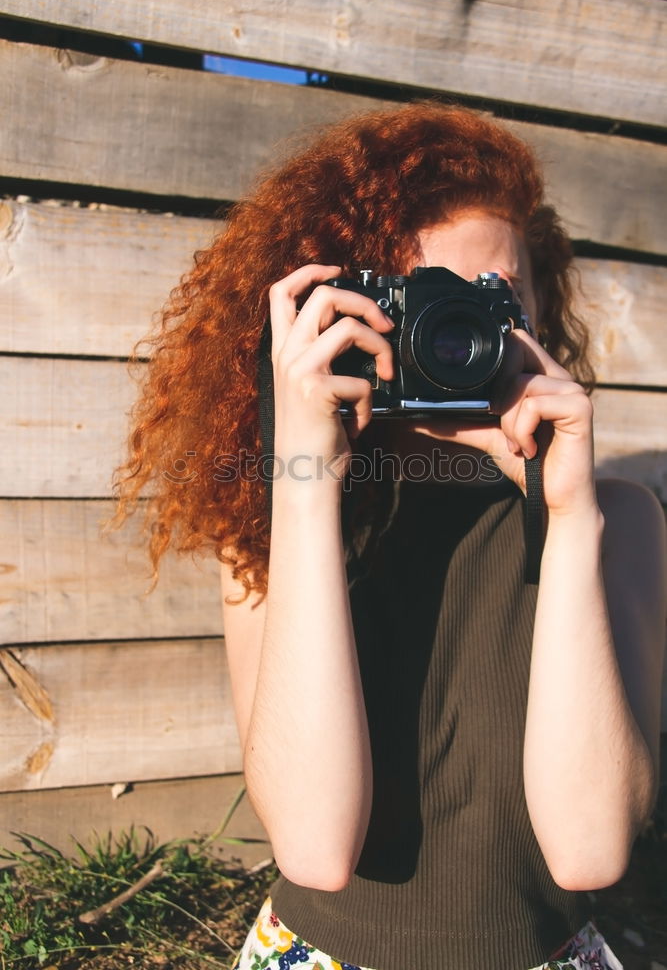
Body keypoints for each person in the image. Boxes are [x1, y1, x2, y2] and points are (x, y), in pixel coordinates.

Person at [112, 102, 666, 970]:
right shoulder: (267, 523)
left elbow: (588, 851)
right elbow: (316, 846)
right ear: (341, 312)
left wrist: (564, 519)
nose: (459, 333)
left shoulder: (617, 521)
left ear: (538, 304)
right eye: (421, 301)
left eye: (494, 299)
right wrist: (303, 481)